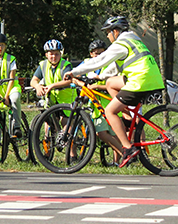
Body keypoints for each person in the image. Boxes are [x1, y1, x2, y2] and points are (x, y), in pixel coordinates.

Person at [65, 16, 165, 167]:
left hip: (140, 81)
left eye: (108, 32)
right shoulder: (133, 39)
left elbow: (100, 60)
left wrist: (75, 72)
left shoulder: (120, 43)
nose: (107, 36)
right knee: (111, 83)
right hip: (151, 78)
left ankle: (127, 148)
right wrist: (100, 76)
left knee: (110, 111)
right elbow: (113, 68)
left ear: (116, 31)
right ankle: (126, 114)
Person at [30, 40, 76, 107]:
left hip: (66, 101)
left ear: (60, 54)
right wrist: (37, 86)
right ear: (46, 55)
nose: (54, 56)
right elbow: (33, 80)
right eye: (51, 54)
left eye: (56, 54)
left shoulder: (65, 65)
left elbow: (69, 81)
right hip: (51, 101)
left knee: (65, 117)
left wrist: (51, 86)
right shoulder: (43, 65)